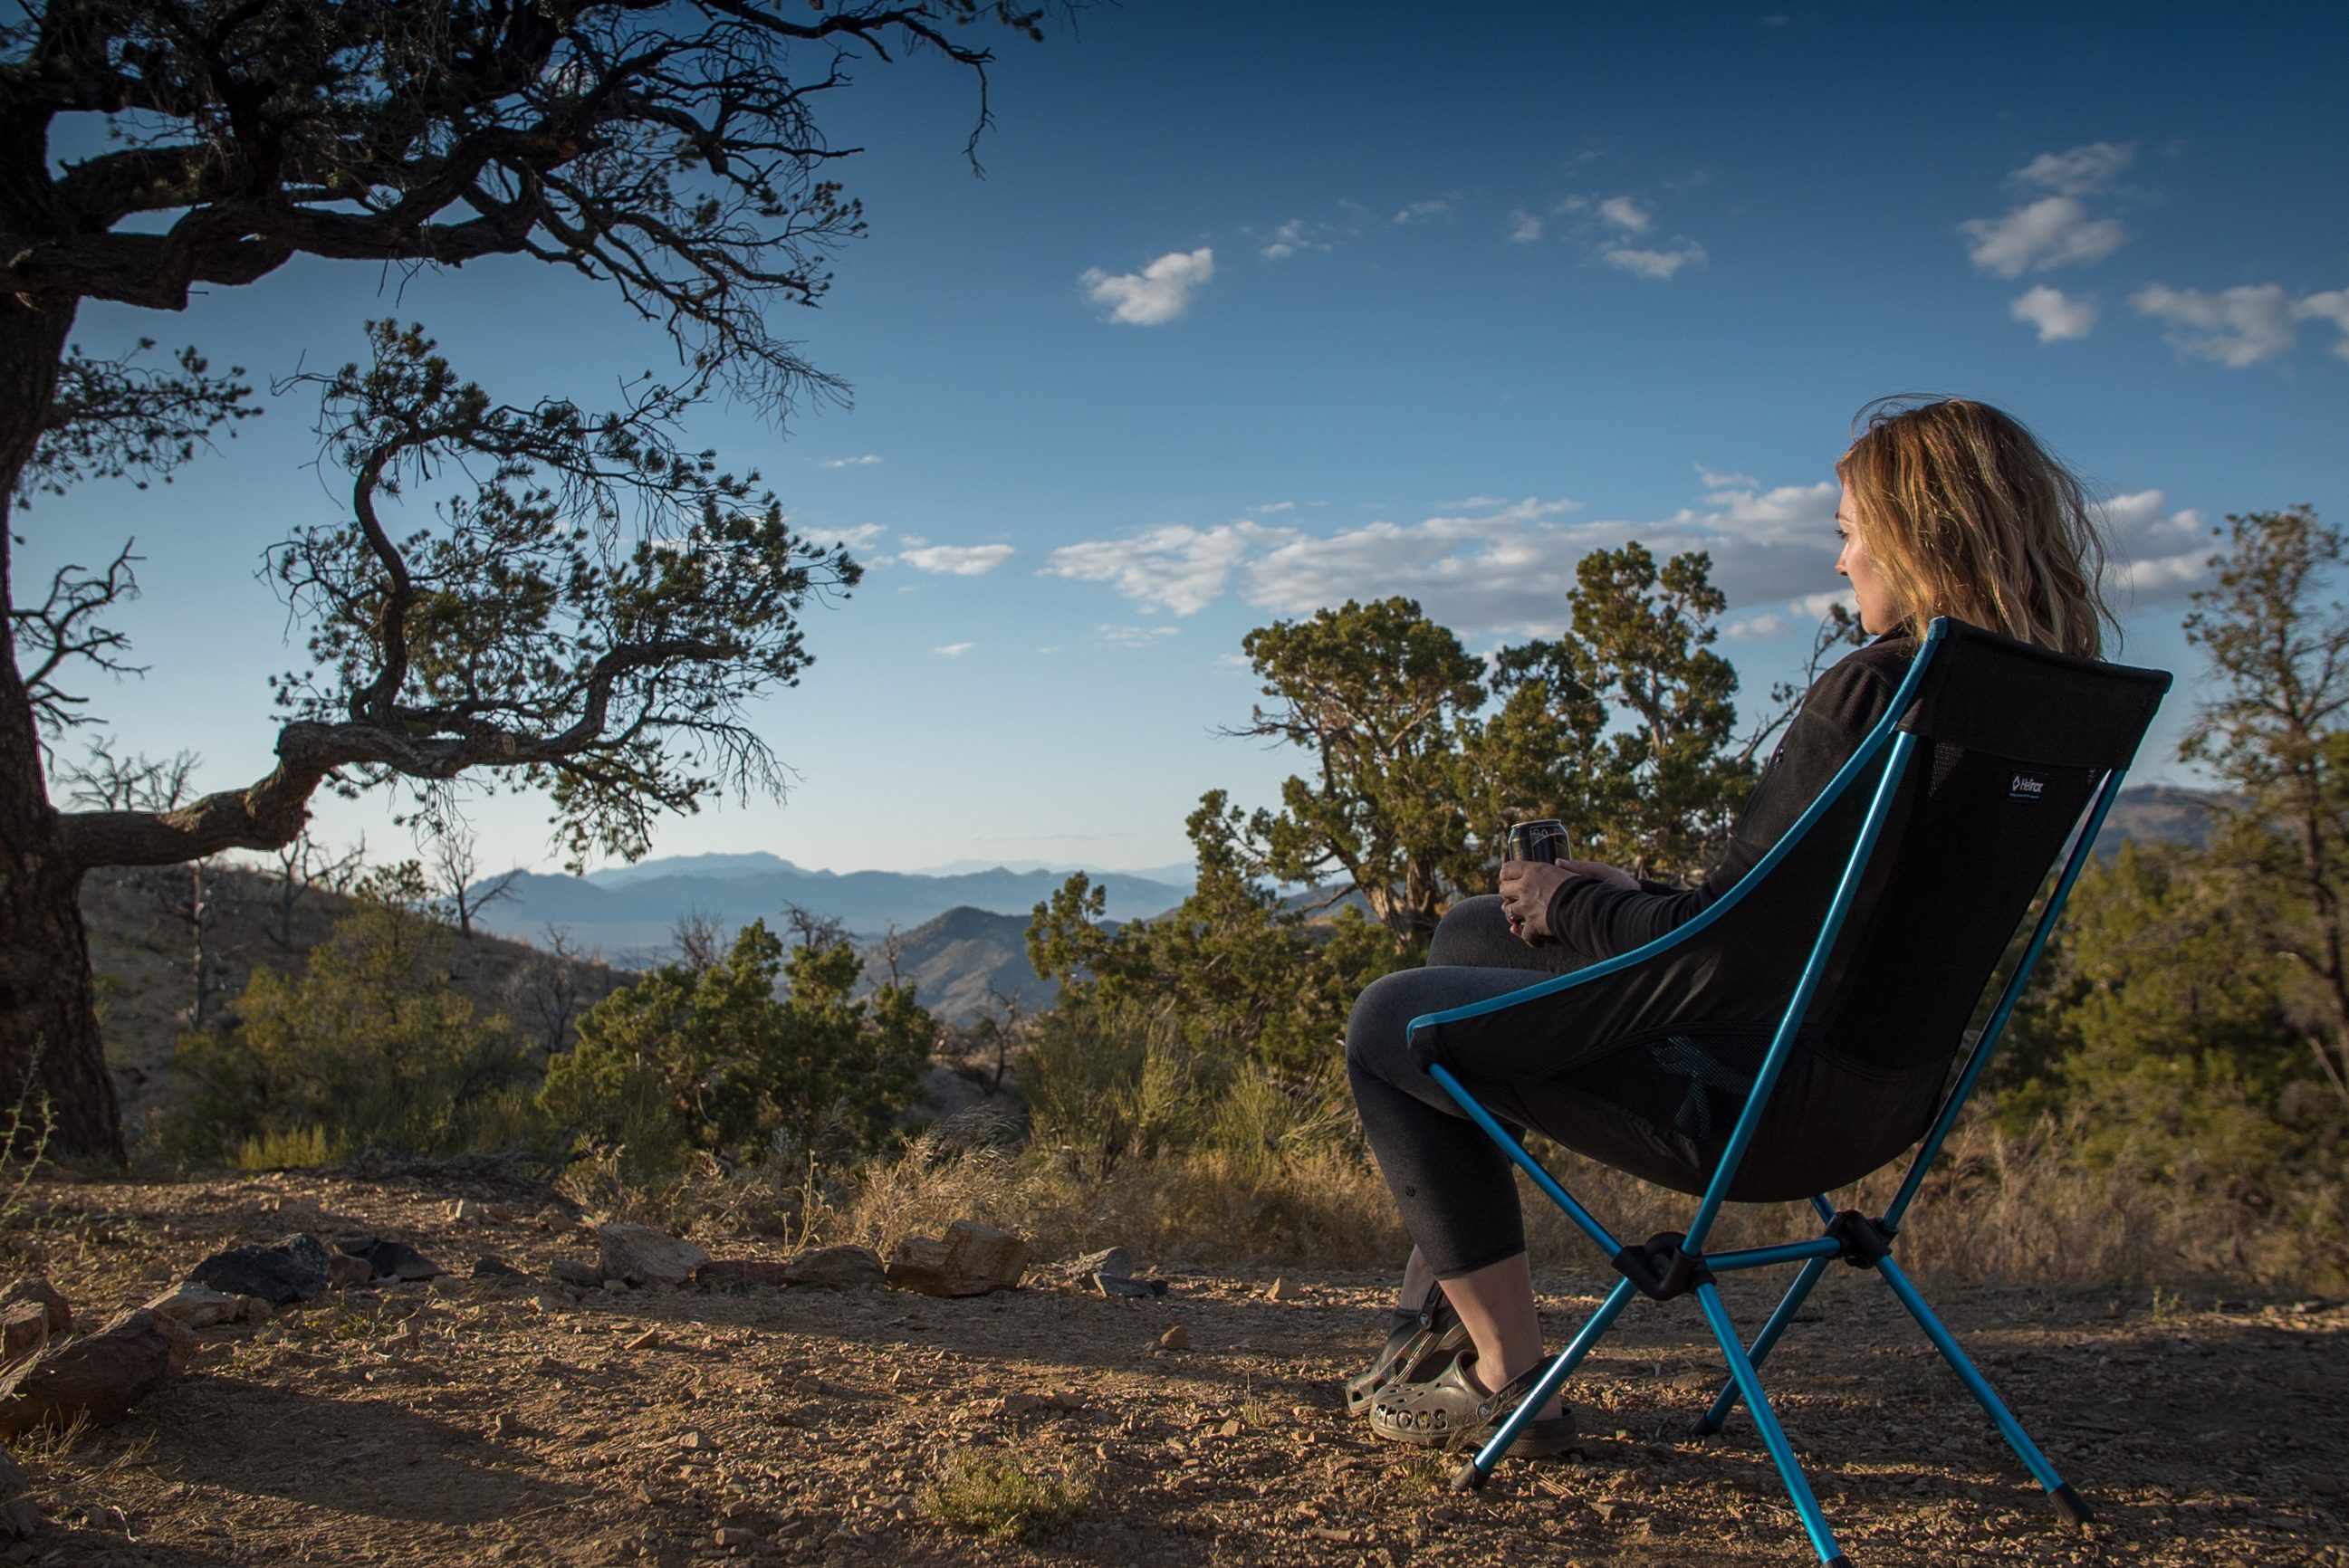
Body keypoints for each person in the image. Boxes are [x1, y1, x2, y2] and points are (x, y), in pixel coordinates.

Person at [1343, 397, 2115, 1452]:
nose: (1839, 561)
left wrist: (1574, 900)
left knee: (1391, 1022)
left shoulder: (1878, 691)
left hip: (1754, 1103)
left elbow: (1728, 953)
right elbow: (1813, 911)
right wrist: (1623, 893)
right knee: (1481, 932)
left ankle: (1507, 1381)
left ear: (1915, 533)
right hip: (1878, 1098)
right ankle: (1435, 1311)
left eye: (1848, 531)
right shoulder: (2036, 707)